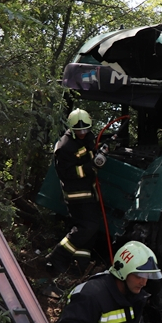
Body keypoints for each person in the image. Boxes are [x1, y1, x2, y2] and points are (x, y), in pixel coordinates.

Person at [46, 109, 105, 275]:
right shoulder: (64, 146)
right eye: (79, 130)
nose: (83, 133)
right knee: (87, 227)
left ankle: (79, 266)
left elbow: (89, 151)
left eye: (85, 129)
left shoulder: (87, 137)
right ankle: (57, 256)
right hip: (76, 196)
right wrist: (90, 167)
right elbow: (66, 173)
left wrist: (101, 151)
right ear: (71, 129)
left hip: (89, 192)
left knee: (91, 232)